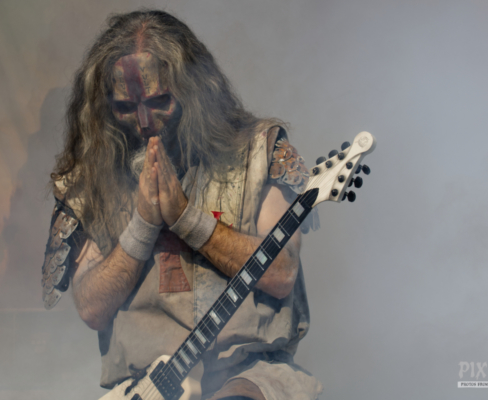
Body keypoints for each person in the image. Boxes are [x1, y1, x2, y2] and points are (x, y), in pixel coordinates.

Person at [41, 10, 322, 400]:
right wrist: (143, 224)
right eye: (125, 107)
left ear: (194, 90)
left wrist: (187, 219)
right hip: (143, 388)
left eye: (160, 101)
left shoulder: (258, 152)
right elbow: (91, 309)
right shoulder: (90, 181)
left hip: (250, 376)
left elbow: (281, 273)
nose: (144, 122)